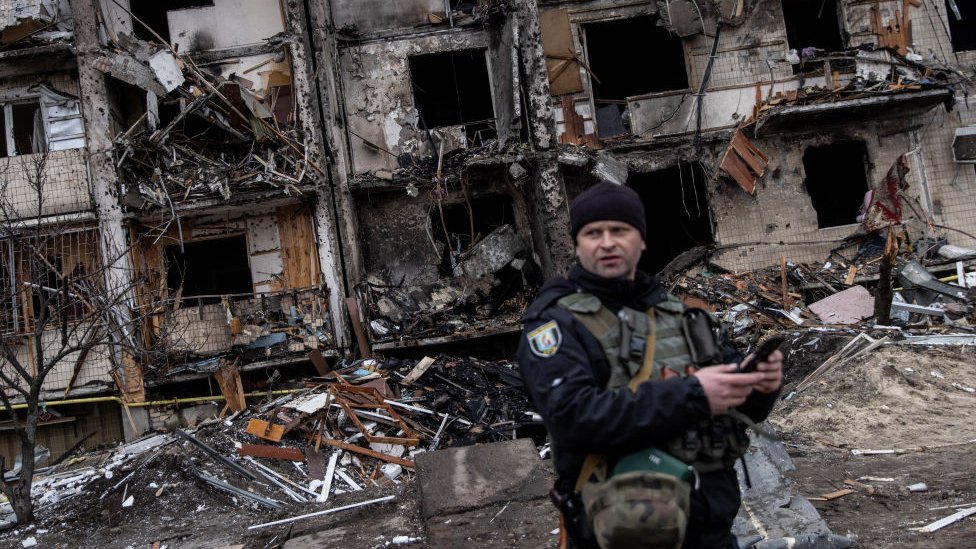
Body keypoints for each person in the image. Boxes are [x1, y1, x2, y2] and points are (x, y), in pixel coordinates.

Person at [517, 181, 783, 549]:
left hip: (709, 528)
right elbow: (572, 417)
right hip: (622, 529)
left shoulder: (681, 315)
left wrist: (760, 388)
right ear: (578, 246)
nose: (607, 242)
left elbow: (736, 407)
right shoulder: (556, 325)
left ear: (641, 240)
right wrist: (693, 394)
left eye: (619, 230)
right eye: (593, 233)